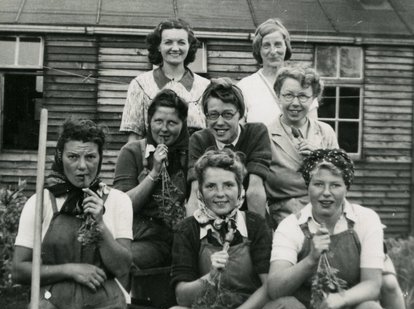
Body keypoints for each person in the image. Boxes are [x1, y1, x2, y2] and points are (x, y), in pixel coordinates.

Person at [12, 119, 133, 309]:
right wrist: (70, 270)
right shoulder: (41, 202)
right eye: (73, 157)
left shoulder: (119, 201)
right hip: (52, 307)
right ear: (61, 157)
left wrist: (100, 225)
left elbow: (122, 268)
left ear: (101, 158)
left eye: (91, 157)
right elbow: (19, 270)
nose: (82, 166)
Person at [151, 149, 283, 309]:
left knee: (288, 306)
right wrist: (211, 276)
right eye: (211, 186)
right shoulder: (188, 229)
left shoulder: (254, 224)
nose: (220, 194)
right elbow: (182, 297)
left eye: (228, 185)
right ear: (200, 191)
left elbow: (269, 286)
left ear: (240, 188)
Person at [267, 148, 390, 309]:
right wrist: (310, 260)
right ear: (308, 186)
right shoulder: (291, 226)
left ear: (346, 188)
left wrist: (341, 298)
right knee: (287, 308)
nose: (326, 192)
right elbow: (275, 288)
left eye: (335, 185)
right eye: (318, 184)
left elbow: (372, 285)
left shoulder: (366, 220)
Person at [114, 89, 189, 269]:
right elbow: (121, 207)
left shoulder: (191, 152)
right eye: (158, 121)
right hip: (138, 236)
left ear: (183, 123)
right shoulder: (132, 152)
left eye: (172, 123)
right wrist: (154, 173)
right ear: (149, 122)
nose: (164, 129)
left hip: (176, 240)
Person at [186, 78, 272, 221]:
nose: (220, 123)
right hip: (209, 219)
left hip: (247, 218)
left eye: (227, 114)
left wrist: (256, 236)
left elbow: (254, 190)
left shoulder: (256, 133)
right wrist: (193, 237)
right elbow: (195, 193)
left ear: (240, 114)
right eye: (213, 115)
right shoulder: (199, 140)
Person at [268, 66, 339, 226]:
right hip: (284, 215)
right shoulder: (265, 135)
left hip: (326, 211)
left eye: (303, 96)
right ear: (278, 96)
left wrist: (320, 157)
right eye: (288, 95)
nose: (295, 103)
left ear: (313, 98)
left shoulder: (325, 132)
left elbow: (340, 178)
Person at [120, 18, 210, 142]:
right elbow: (134, 137)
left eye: (181, 42)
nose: (175, 48)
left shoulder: (205, 86)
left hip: (195, 158)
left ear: (189, 46)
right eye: (168, 42)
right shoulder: (140, 84)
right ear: (158, 46)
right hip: (154, 158)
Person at [237, 18, 317, 132]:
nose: (273, 51)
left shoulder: (303, 80)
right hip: (259, 148)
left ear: (286, 47)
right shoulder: (245, 86)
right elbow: (239, 131)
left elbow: (314, 130)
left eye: (278, 44)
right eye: (266, 45)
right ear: (258, 49)